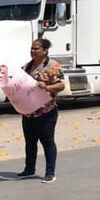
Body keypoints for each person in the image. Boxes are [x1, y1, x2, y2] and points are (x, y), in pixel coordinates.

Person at [14, 38, 66, 183]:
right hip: (28, 112)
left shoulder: (52, 66)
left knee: (47, 142)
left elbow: (61, 85)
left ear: (45, 50)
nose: (33, 51)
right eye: (32, 48)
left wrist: (47, 87)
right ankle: (29, 169)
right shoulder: (26, 67)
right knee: (30, 142)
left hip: (46, 112)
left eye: (36, 48)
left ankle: (50, 172)